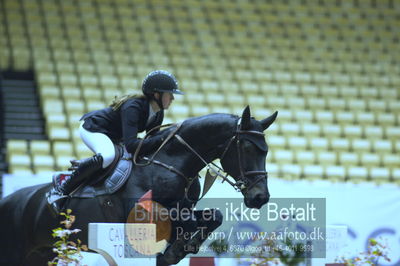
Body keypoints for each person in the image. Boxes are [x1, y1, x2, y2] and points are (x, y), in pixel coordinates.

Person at [47, 70, 184, 212]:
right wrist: (162, 138)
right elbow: (131, 145)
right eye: (169, 94)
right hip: (94, 129)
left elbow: (152, 141)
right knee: (107, 156)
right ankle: (60, 191)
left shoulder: (158, 113)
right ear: (157, 94)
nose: (172, 98)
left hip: (114, 136)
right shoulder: (133, 107)